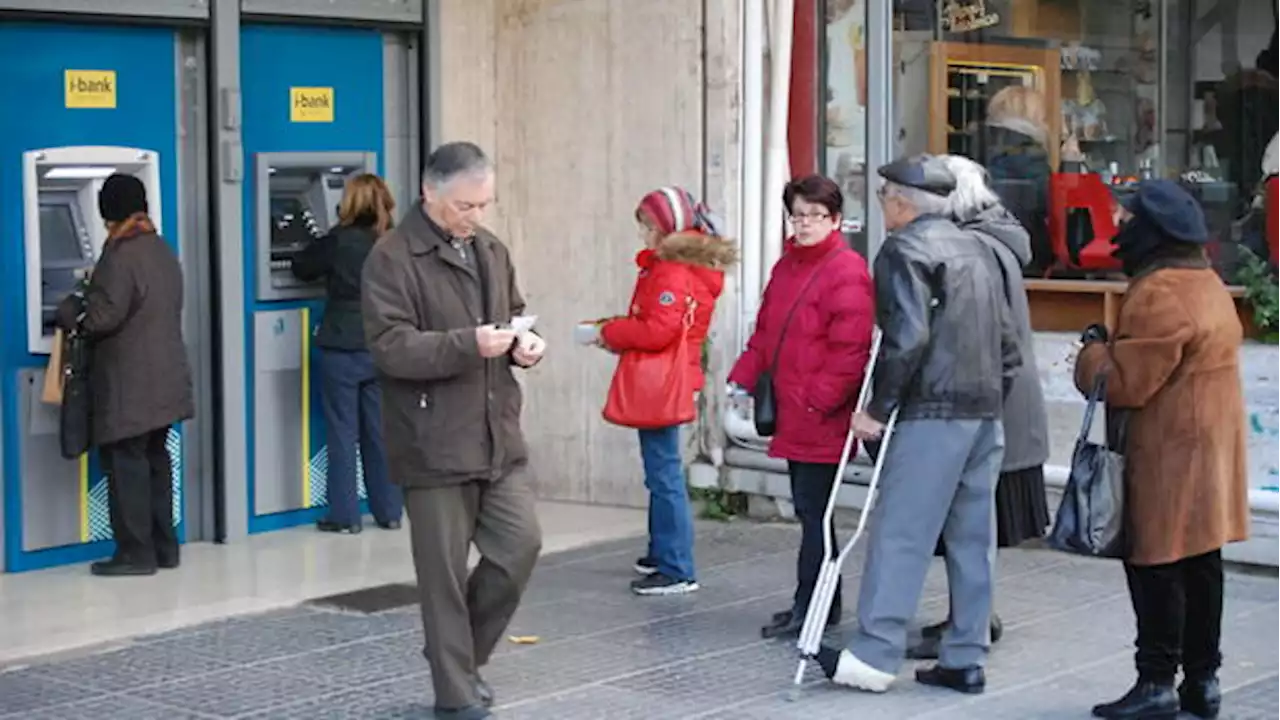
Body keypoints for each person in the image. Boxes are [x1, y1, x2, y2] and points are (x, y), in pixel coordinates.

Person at [815, 154, 1020, 695]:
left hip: (935, 412)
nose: (881, 206)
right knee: (973, 539)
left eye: (882, 197)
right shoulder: (977, 245)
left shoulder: (904, 249)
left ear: (901, 203)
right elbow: (1009, 343)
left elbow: (906, 339)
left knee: (900, 532)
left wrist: (877, 411)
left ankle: (875, 655)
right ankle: (965, 655)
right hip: (983, 412)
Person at [361, 142, 545, 720]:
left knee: (521, 549)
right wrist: (468, 344)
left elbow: (512, 312)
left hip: (496, 435)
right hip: (432, 440)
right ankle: (456, 696)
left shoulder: (491, 249)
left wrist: (523, 348)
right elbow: (390, 347)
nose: (475, 216)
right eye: (465, 205)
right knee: (441, 578)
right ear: (429, 193)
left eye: (484, 204)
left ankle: (459, 658)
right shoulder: (392, 257)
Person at [1074, 179, 1249, 720]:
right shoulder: (1207, 281)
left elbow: (1127, 383)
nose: (1121, 228)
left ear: (1152, 232)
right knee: (1202, 565)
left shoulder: (1159, 292)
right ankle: (1203, 682)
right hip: (1209, 449)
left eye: (1128, 220)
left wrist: (1093, 351)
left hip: (1170, 453)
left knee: (1156, 565)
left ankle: (1156, 683)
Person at [906, 155, 1051, 660]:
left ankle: (970, 623)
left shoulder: (972, 247)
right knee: (972, 526)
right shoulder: (998, 238)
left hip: (983, 399)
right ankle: (969, 619)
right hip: (1001, 397)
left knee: (968, 524)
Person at [727, 174, 875, 640]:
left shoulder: (847, 270)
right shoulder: (786, 267)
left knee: (816, 515)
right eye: (798, 214)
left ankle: (813, 606)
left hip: (820, 417)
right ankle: (814, 604)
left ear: (835, 219)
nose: (805, 223)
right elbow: (768, 331)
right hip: (794, 412)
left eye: (815, 215)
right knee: (811, 513)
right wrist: (743, 375)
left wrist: (816, 402)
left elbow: (850, 353)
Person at [592, 187, 737, 596]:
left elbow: (659, 329)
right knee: (661, 469)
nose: (643, 234)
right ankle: (662, 553)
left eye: (647, 226)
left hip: (664, 380)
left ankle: (675, 566)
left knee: (664, 473)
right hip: (676, 376)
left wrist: (610, 332)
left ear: (665, 227)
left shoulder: (671, 269)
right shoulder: (686, 264)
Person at [55, 174, 194, 577]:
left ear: (108, 212)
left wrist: (70, 310)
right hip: (165, 378)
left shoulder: (120, 255)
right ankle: (165, 547)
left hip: (129, 382)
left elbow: (103, 317)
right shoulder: (161, 249)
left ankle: (135, 553)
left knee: (125, 465)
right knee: (155, 460)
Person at [291, 173, 404, 535]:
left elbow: (301, 266)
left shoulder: (338, 241)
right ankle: (388, 511)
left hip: (342, 345)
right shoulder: (394, 242)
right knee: (379, 432)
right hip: (381, 344)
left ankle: (344, 516)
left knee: (342, 432)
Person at [983, 85, 1054, 274]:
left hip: (988, 256)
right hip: (1029, 257)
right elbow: (1049, 207)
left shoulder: (988, 155)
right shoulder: (1032, 159)